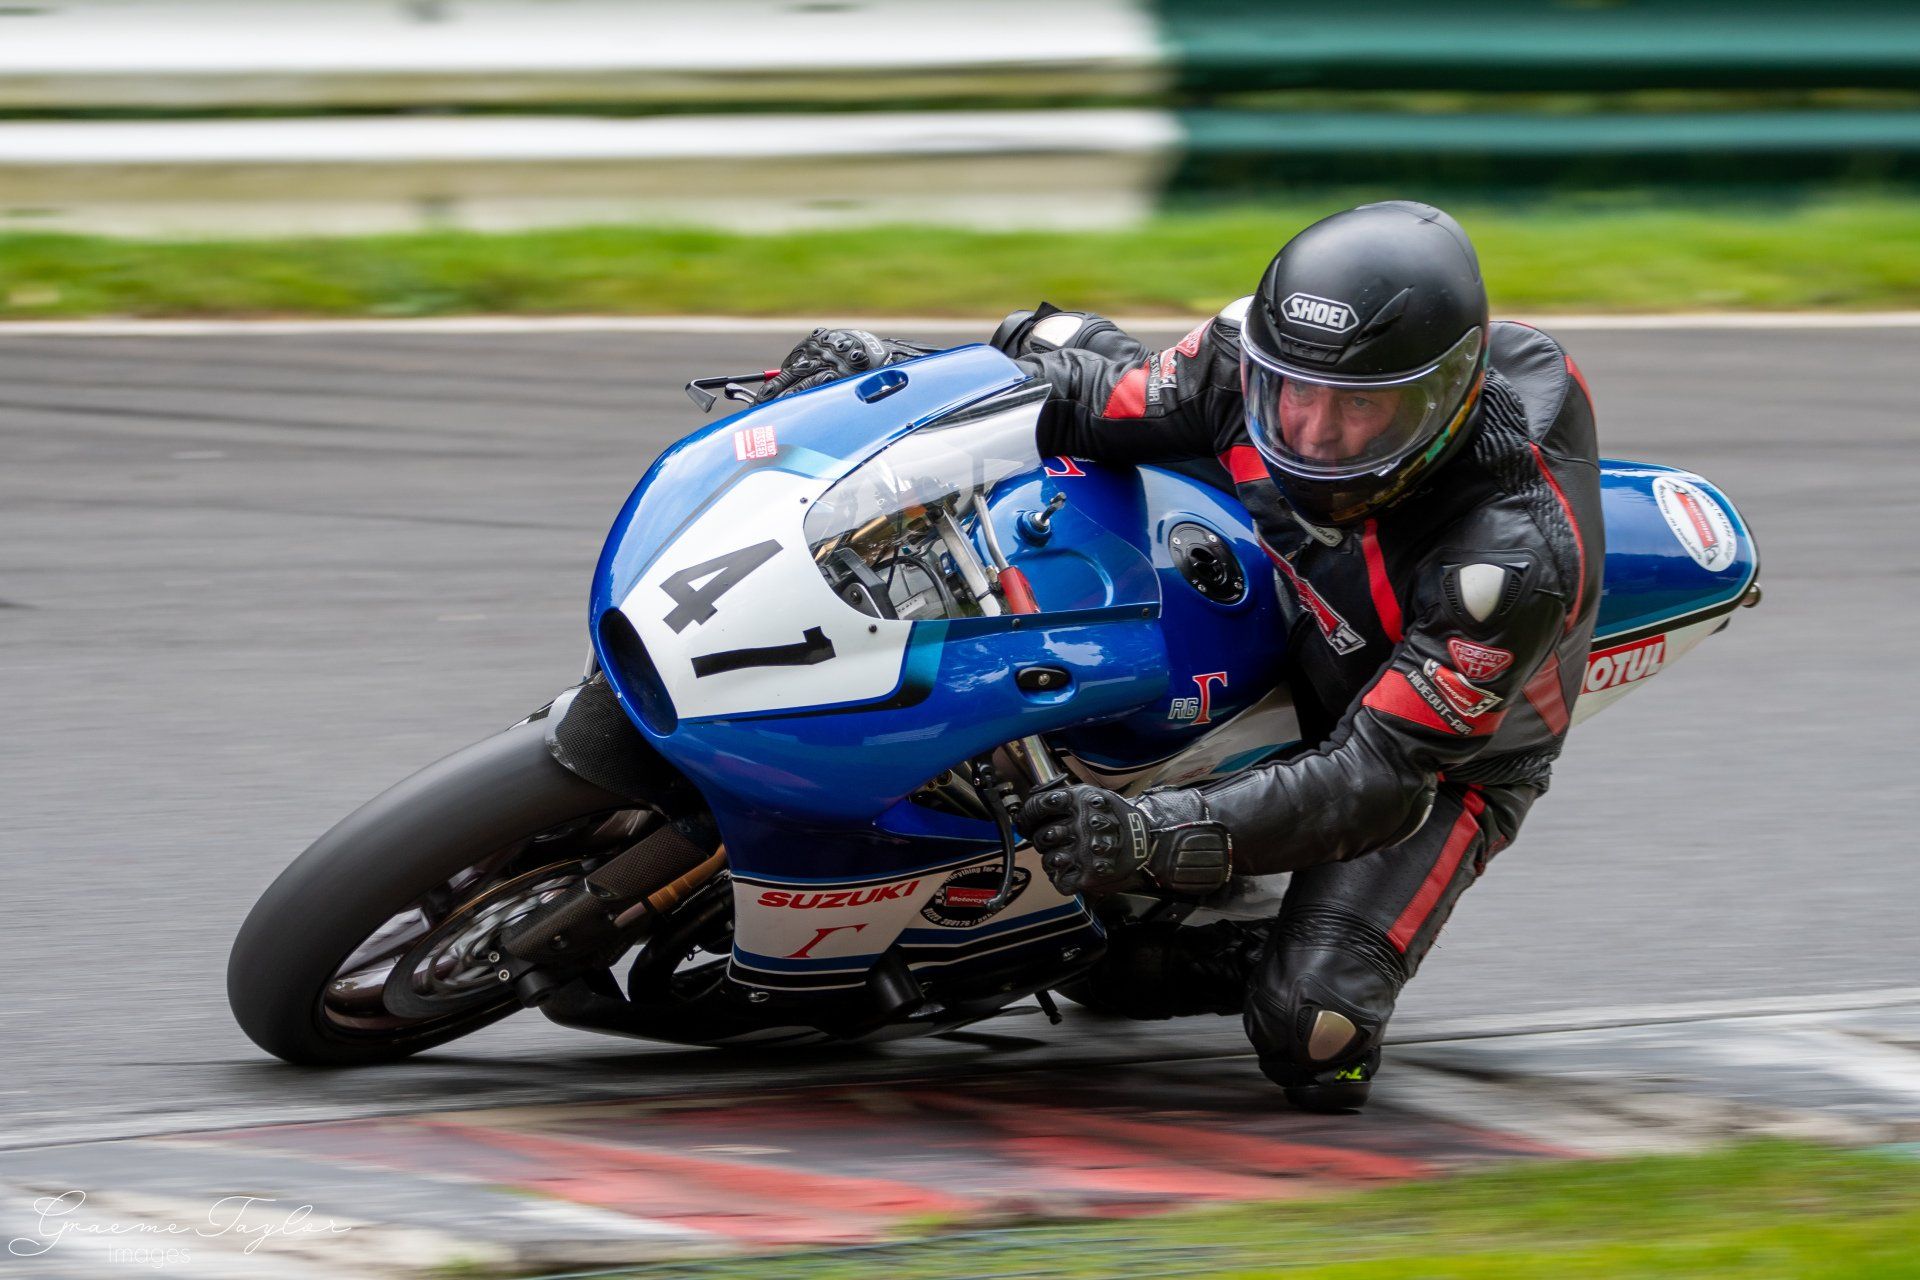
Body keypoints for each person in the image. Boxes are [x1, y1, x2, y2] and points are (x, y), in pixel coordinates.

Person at [759, 201, 1603, 1111]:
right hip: (1303, 604)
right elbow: (1089, 396)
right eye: (1294, 394)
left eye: (1361, 412)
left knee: (1313, 1035)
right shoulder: (1244, 369)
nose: (1314, 436)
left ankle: (1249, 943)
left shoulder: (1509, 559)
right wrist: (894, 383)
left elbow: (1378, 778)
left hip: (1438, 758)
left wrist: (1153, 837)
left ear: (1444, 400)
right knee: (1057, 357)